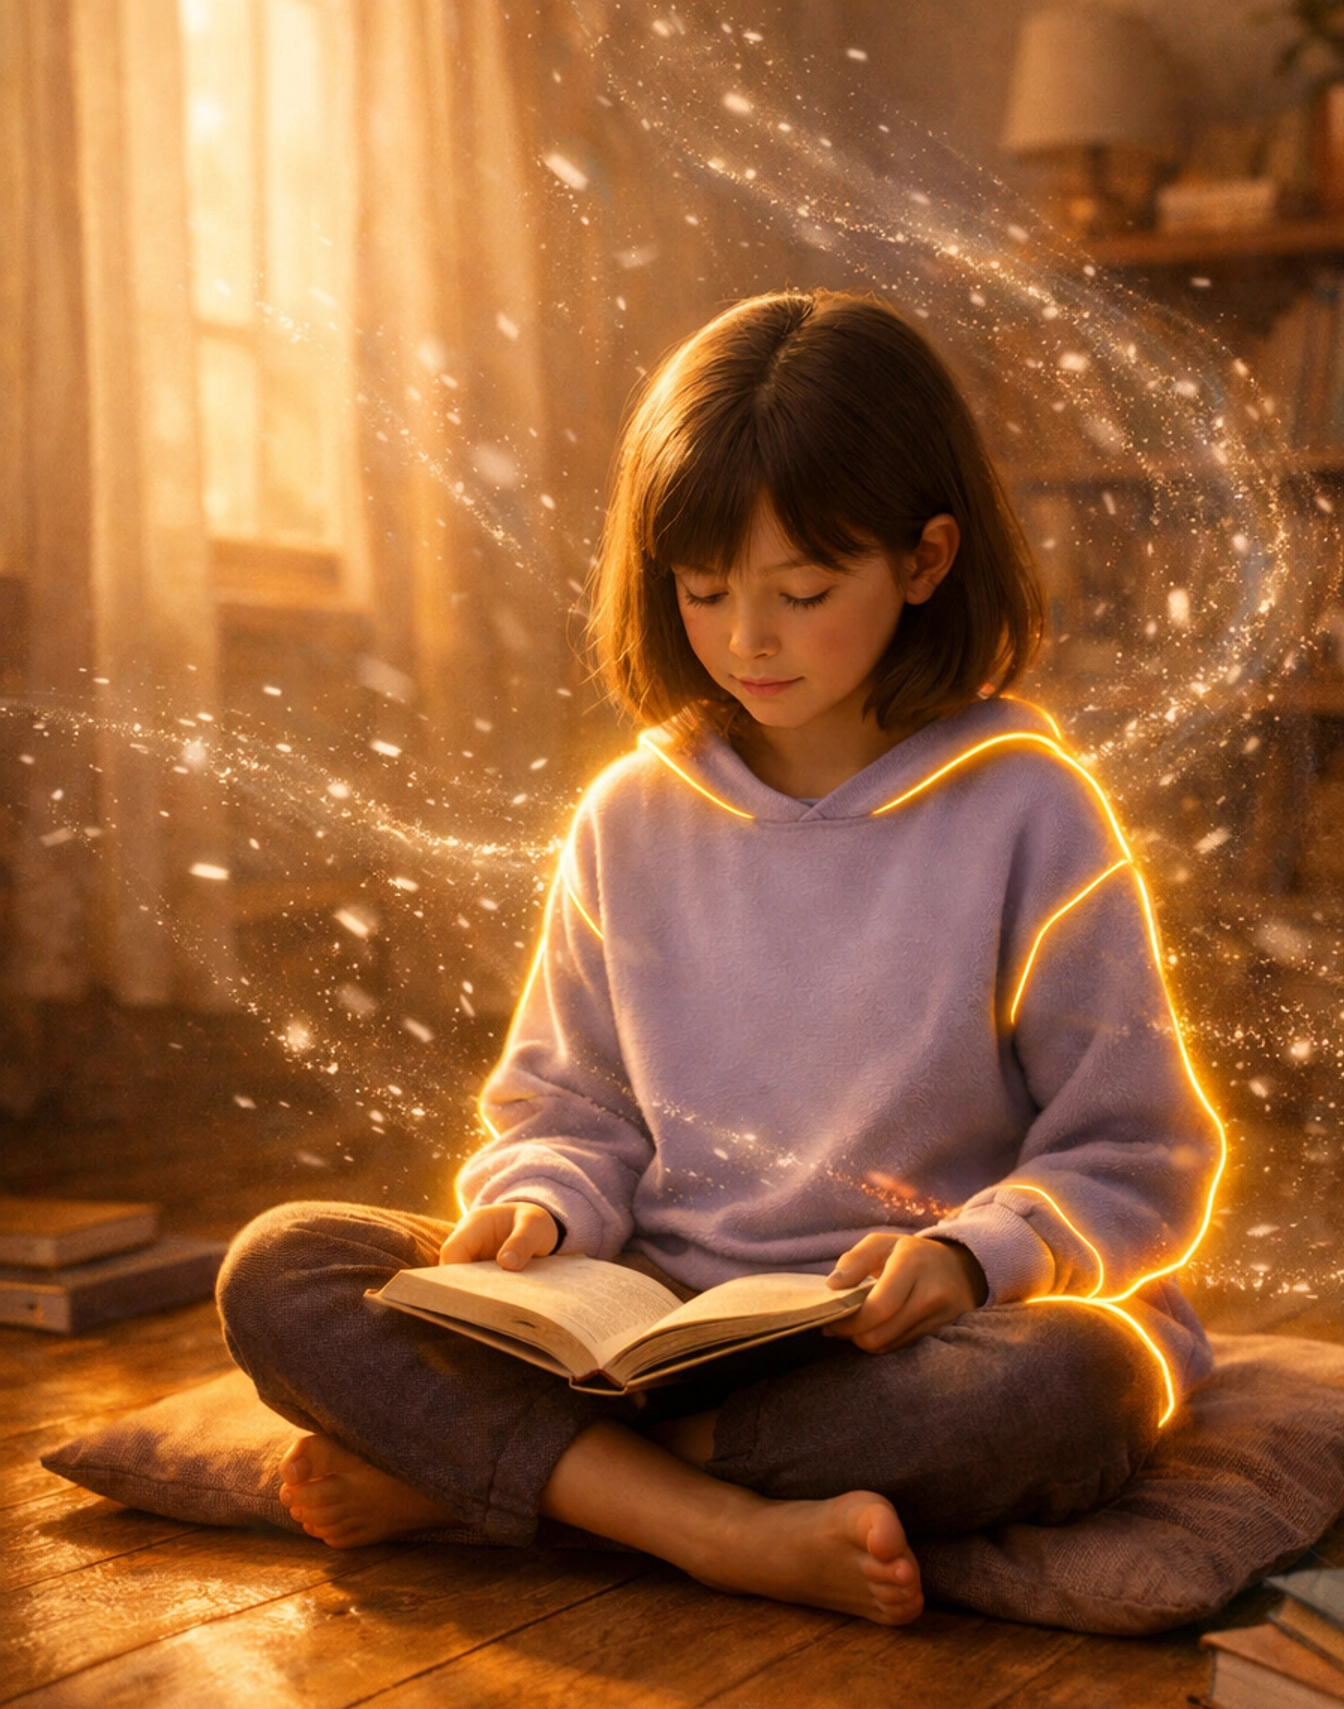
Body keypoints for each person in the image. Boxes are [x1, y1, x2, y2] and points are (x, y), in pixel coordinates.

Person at [218, 289, 1223, 1627]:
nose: (749, 638)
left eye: (802, 594)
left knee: (1079, 1390)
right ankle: (709, 1526)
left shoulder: (1029, 809)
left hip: (893, 1350)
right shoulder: (629, 817)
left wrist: (976, 1258)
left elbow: (1136, 1152)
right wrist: (540, 1202)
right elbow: (568, 1106)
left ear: (925, 562)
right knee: (284, 1267)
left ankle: (512, 1484)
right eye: (704, 592)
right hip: (642, 1330)